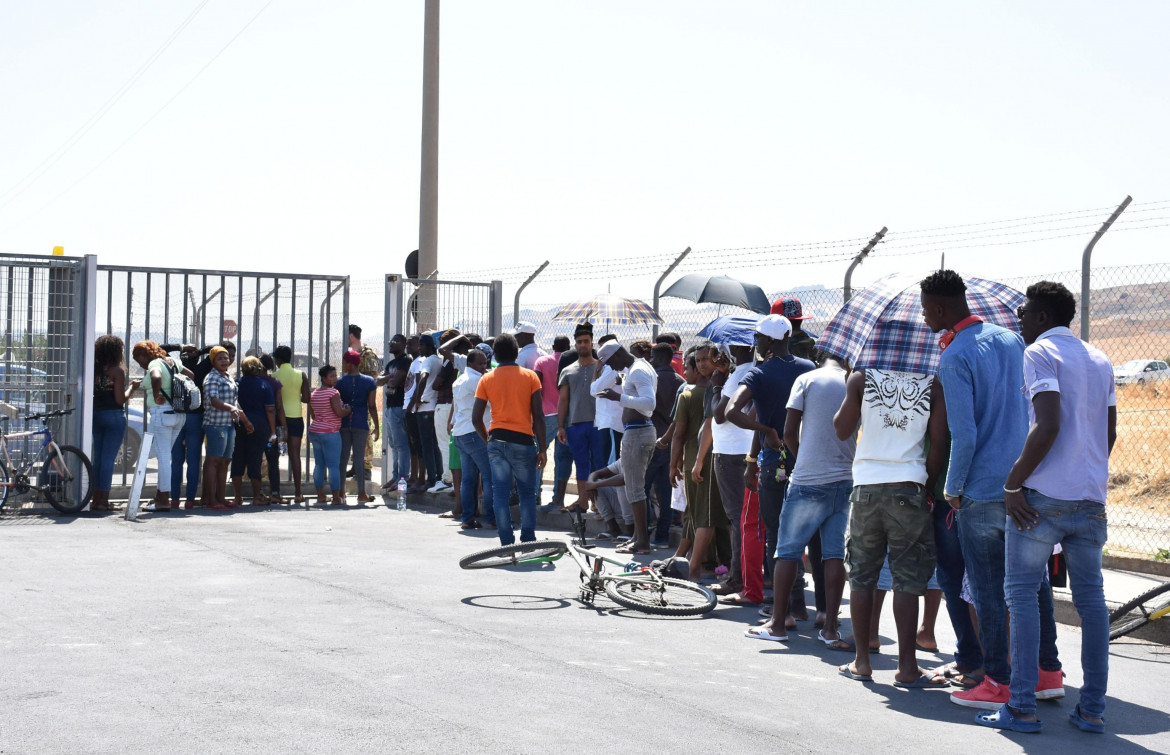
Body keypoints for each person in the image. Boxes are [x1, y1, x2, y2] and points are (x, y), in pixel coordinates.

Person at [974, 281, 1115, 734]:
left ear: (1040, 318)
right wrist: (1084, 472)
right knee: (1092, 603)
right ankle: (1091, 710)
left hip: (1042, 500)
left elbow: (1048, 423)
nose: (1019, 321)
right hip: (1090, 498)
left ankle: (1020, 709)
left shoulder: (1038, 354)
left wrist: (1014, 483)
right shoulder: (1100, 358)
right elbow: (1108, 433)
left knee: (1021, 595)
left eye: (1023, 314)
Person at [919, 269, 1063, 710]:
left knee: (985, 587)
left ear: (941, 308)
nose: (925, 318)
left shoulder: (955, 355)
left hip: (981, 489)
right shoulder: (1012, 339)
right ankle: (1047, 672)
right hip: (1024, 482)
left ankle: (997, 680)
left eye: (927, 310)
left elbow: (964, 434)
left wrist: (952, 487)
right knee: (1031, 583)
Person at [829, 355, 947, 685]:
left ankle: (862, 662)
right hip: (909, 486)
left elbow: (841, 429)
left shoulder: (862, 378)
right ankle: (907, 667)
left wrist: (851, 386)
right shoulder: (932, 384)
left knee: (863, 575)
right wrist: (926, 483)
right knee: (907, 579)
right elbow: (938, 443)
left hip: (867, 486)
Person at [727, 316, 815, 640]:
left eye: (758, 337)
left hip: (774, 461)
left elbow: (732, 411)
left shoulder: (759, 373)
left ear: (769, 341)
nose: (755, 343)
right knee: (807, 532)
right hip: (804, 459)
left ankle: (782, 611)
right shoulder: (808, 369)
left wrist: (764, 432)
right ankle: (801, 604)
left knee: (776, 533)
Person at [766, 353, 855, 646]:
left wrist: (801, 456)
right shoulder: (854, 381)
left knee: (788, 551)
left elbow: (789, 432)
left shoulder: (806, 379)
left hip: (808, 479)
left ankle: (778, 623)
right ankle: (830, 627)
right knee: (833, 555)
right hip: (844, 479)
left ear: (819, 356)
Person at [471, 333, 546, 545]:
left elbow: (476, 418)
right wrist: (542, 449)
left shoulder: (486, 378)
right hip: (523, 441)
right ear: (516, 352)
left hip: (497, 439)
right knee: (527, 494)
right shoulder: (530, 377)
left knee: (500, 493)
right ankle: (528, 540)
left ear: (495, 354)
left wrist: (488, 441)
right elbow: (538, 416)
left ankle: (506, 543)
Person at [671, 345, 728, 582]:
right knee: (700, 513)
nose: (703, 363)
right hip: (701, 459)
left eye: (707, 359)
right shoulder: (710, 388)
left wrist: (687, 462)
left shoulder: (703, 390)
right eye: (699, 360)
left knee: (703, 515)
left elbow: (682, 433)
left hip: (704, 460)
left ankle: (694, 566)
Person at [597, 341, 659, 555]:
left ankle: (642, 541)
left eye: (611, 362)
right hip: (638, 431)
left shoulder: (638, 371)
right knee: (634, 486)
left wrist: (619, 397)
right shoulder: (637, 368)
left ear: (617, 355)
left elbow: (649, 403)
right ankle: (637, 537)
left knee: (634, 488)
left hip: (639, 431)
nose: (612, 368)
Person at [709, 338, 756, 598]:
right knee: (745, 518)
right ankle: (746, 575)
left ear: (738, 349)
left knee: (737, 518)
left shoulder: (740, 372)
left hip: (729, 452)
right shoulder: (755, 369)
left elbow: (719, 413)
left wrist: (717, 387)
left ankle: (738, 578)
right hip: (744, 448)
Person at [131, 341, 190, 512]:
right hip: (179, 414)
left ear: (144, 355)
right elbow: (190, 375)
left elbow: (156, 376)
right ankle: (160, 495)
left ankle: (163, 499)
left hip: (162, 413)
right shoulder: (171, 361)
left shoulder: (154, 363)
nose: (140, 364)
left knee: (163, 458)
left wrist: (157, 395)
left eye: (138, 359)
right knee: (164, 455)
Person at [557, 325, 604, 512]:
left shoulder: (602, 368)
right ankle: (583, 502)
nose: (583, 345)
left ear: (592, 343)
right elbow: (563, 400)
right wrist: (561, 426)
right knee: (581, 464)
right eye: (579, 342)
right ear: (575, 345)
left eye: (586, 341)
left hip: (599, 424)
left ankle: (600, 506)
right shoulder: (567, 371)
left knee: (600, 465)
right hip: (575, 425)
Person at [91, 335, 138, 512]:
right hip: (113, 416)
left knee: (98, 459)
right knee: (108, 459)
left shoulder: (94, 369)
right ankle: (104, 500)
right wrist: (132, 389)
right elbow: (119, 400)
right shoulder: (117, 371)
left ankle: (95, 499)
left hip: (96, 415)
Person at [451, 348, 493, 530]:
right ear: (470, 364)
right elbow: (491, 402)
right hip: (475, 432)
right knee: (490, 476)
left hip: (461, 433)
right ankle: (492, 518)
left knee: (468, 479)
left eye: (486, 363)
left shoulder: (459, 380)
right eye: (480, 363)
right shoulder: (477, 380)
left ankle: (467, 518)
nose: (484, 366)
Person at [647, 343, 684, 547]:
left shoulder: (653, 379)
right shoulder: (680, 381)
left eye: (652, 356)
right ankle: (662, 536)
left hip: (653, 440)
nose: (650, 360)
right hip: (672, 442)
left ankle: (642, 534)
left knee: (641, 488)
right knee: (666, 491)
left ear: (659, 358)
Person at [202, 345, 246, 511]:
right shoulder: (212, 378)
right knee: (213, 461)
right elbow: (213, 400)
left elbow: (234, 401)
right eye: (220, 358)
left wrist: (244, 419)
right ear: (213, 361)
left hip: (229, 424)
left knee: (225, 461)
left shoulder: (228, 377)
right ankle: (211, 498)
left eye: (226, 358)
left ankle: (221, 497)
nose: (224, 361)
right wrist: (230, 409)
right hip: (215, 424)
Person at [162, 343, 204, 509]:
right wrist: (200, 351)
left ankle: (174, 498)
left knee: (176, 460)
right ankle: (190, 499)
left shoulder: (172, 367)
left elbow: (160, 348)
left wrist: (180, 347)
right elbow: (217, 348)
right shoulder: (201, 369)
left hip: (177, 414)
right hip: (195, 416)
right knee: (193, 461)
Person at [230, 356, 276, 506]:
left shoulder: (236, 383)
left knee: (238, 458)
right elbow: (270, 410)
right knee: (254, 459)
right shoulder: (264, 385)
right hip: (259, 425)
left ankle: (237, 497)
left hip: (238, 423)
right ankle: (257, 495)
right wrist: (273, 431)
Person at [534, 335, 572, 512]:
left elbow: (537, 386)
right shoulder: (573, 363)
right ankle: (558, 497)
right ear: (569, 346)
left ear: (552, 346)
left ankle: (534, 495)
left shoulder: (542, 361)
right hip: (568, 416)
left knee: (539, 454)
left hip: (546, 415)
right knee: (562, 458)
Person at [337, 349, 379, 504]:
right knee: (359, 459)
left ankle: (341, 492)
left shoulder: (340, 382)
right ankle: (362, 493)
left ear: (349, 363)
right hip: (361, 422)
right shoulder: (369, 382)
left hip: (344, 422)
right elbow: (372, 406)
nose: (343, 365)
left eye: (344, 362)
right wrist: (376, 426)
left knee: (343, 458)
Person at [272, 345, 311, 503]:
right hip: (295, 417)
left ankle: (276, 492)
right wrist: (296, 397)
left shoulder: (274, 376)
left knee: (274, 455)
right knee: (295, 454)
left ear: (278, 360)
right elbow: (307, 398)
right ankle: (298, 492)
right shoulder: (301, 374)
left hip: (278, 419)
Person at [308, 365, 350, 505]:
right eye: (332, 376)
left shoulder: (314, 393)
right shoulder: (333, 393)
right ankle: (336, 497)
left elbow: (313, 415)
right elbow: (339, 413)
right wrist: (348, 410)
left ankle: (320, 495)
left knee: (319, 465)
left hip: (315, 431)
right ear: (324, 378)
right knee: (333, 465)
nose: (335, 378)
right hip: (330, 432)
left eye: (335, 375)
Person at [406, 333, 444, 493]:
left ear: (429, 346)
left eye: (422, 345)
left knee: (426, 446)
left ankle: (432, 479)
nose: (419, 348)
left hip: (424, 408)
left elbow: (423, 377)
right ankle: (438, 476)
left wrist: (417, 399)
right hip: (433, 406)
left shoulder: (427, 361)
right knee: (434, 445)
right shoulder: (440, 360)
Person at [378, 334, 413, 492]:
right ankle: (396, 476)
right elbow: (378, 381)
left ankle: (402, 478)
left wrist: (388, 378)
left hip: (399, 405)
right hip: (390, 406)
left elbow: (393, 382)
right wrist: (389, 377)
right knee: (393, 445)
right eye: (389, 342)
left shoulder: (406, 361)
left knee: (401, 444)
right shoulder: (392, 363)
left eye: (394, 342)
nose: (390, 344)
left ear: (404, 344)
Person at [348, 324, 381, 477]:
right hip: (353, 400)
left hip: (364, 401)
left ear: (351, 336)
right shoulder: (351, 354)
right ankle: (356, 465)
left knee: (365, 432)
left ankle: (366, 467)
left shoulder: (367, 355)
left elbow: (373, 379)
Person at [259, 354, 288, 504]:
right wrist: (284, 427)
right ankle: (275, 493)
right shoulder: (274, 383)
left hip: (256, 426)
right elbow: (279, 407)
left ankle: (258, 493)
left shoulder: (253, 381)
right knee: (273, 461)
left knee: (256, 459)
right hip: (273, 428)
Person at [400, 335, 426, 489]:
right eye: (407, 344)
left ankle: (420, 477)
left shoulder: (420, 362)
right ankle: (414, 475)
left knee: (417, 444)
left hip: (413, 408)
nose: (408, 346)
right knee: (412, 444)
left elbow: (418, 384)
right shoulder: (414, 362)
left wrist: (411, 406)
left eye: (412, 343)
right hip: (408, 406)